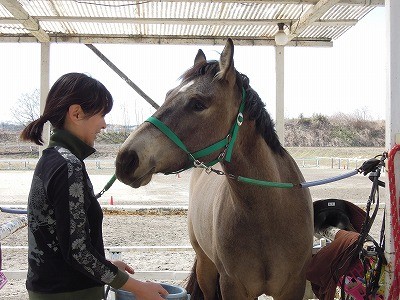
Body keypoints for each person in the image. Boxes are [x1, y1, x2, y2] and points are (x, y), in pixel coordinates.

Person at [20, 72, 168, 300]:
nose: (104, 124)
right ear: (76, 113)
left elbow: (62, 241)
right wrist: (137, 287)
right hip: (70, 294)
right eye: (101, 114)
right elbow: (78, 252)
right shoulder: (69, 165)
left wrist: (105, 264)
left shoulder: (52, 159)